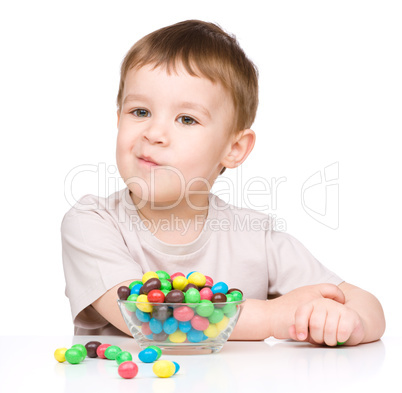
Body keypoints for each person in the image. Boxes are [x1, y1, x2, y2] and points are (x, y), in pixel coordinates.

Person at [61, 19, 385, 345]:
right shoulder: (92, 223)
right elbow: (145, 314)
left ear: (233, 149)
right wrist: (274, 317)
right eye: (140, 111)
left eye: (186, 119)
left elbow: (363, 304)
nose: (154, 133)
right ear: (119, 119)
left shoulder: (255, 237)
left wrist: (347, 321)